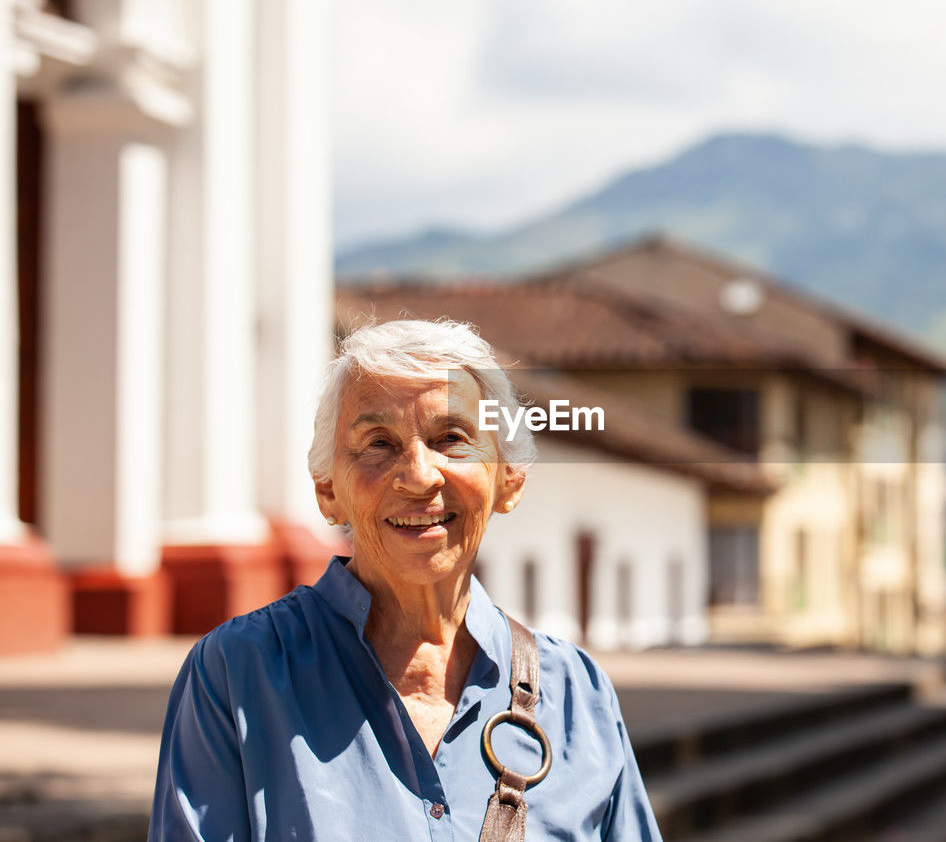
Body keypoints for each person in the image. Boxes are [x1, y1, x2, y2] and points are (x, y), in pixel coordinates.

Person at [149, 319, 662, 840]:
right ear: (327, 491)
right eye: (377, 444)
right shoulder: (238, 676)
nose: (419, 476)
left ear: (510, 478)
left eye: (452, 438)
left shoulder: (576, 692)